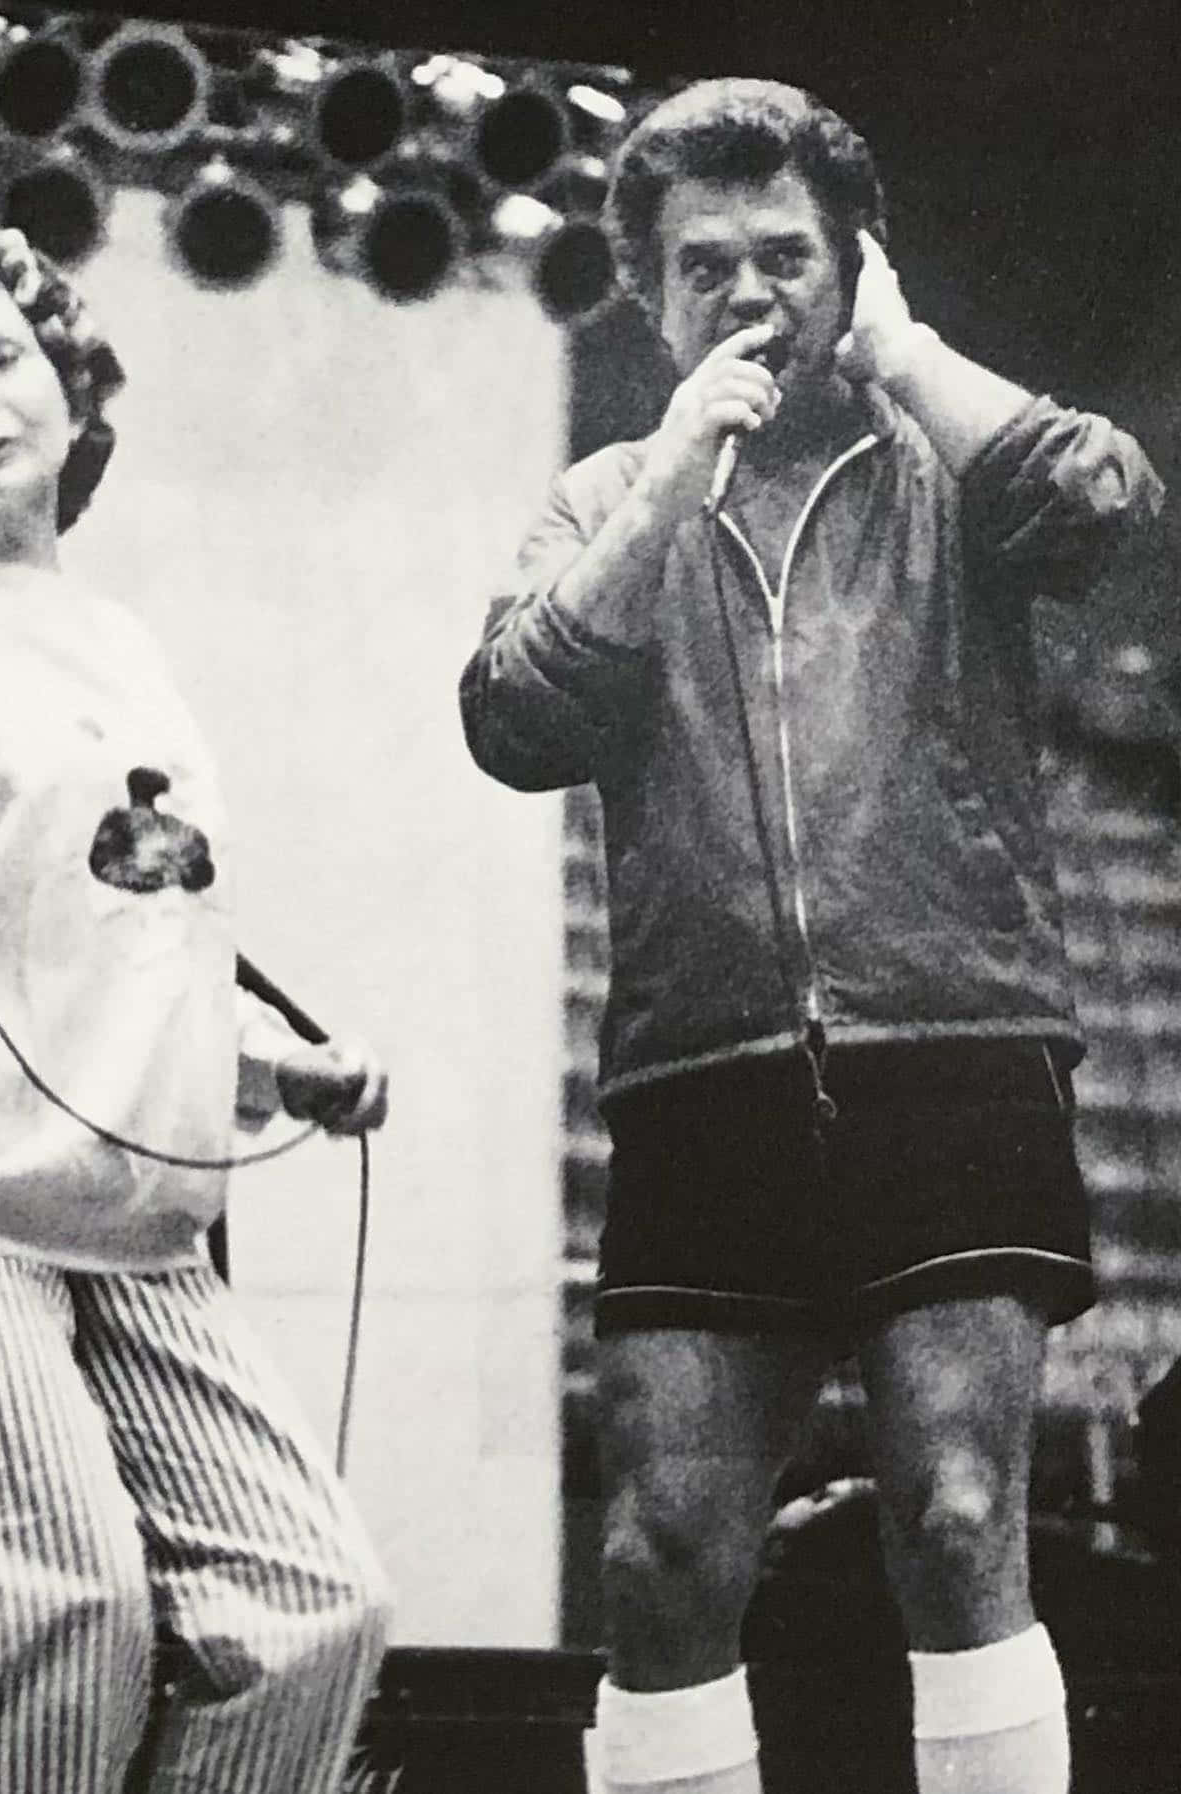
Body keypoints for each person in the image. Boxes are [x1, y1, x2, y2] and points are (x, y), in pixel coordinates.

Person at [460, 78, 1163, 1794]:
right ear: (652, 299)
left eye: (787, 254)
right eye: (704, 266)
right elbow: (513, 719)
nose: (750, 290)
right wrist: (666, 485)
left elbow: (1104, 504)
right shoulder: (604, 498)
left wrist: (907, 358)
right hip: (703, 1076)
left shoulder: (944, 464)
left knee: (961, 1510)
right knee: (660, 1554)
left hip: (952, 1051)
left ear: (856, 266)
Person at [0, 219, 391, 1793]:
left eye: (0, 355)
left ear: (71, 390)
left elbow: (110, 936)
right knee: (70, 1615)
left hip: (127, 1219)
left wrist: (273, 1068)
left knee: (315, 1610)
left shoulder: (120, 644)